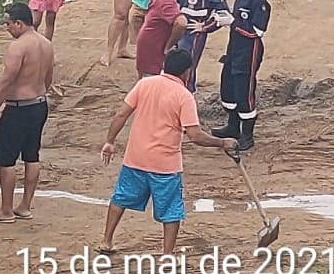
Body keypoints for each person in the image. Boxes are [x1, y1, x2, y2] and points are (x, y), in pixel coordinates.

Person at [98, 48, 238, 256]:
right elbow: (195, 136)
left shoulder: (144, 84)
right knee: (171, 210)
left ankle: (106, 241)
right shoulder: (184, 96)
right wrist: (222, 143)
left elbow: (121, 114)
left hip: (135, 157)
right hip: (165, 164)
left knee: (121, 198)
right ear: (186, 72)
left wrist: (110, 141)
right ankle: (167, 254)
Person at [0, 5, 55, 224]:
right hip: (39, 104)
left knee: (7, 160)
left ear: (19, 23)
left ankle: (5, 210)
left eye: (8, 24)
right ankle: (24, 206)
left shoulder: (18, 47)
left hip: (18, 108)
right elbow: (49, 76)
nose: (6, 28)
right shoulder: (46, 44)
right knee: (32, 155)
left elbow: (7, 80)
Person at [212, 0, 272, 152]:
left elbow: (257, 31)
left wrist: (233, 23)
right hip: (234, 48)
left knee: (244, 92)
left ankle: (247, 135)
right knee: (228, 87)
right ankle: (232, 126)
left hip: (248, 52)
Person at [175, 0, 233, 93]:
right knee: (171, 63)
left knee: (187, 66)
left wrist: (206, 27)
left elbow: (224, 14)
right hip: (176, 29)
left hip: (193, 34)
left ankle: (188, 96)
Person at [135, 0, 187, 80]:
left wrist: (169, 46)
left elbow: (181, 23)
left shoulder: (166, 0)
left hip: (155, 64)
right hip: (148, 62)